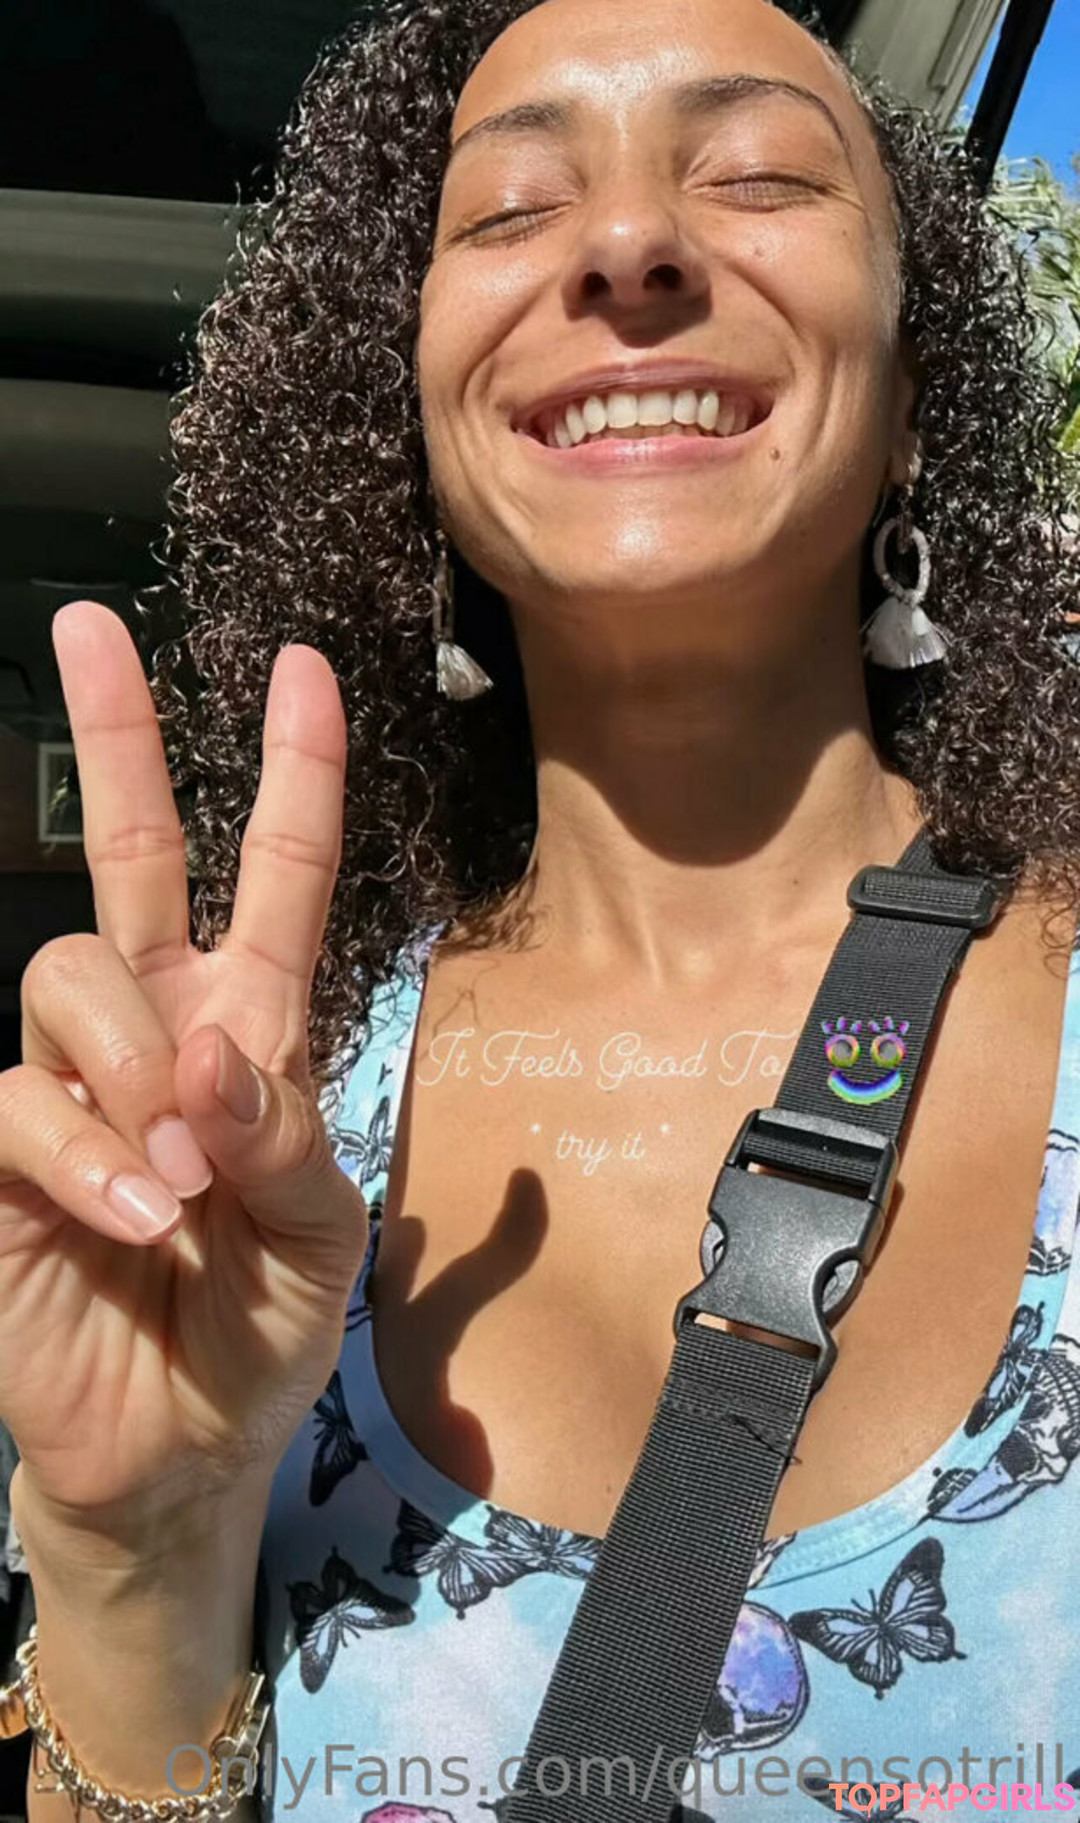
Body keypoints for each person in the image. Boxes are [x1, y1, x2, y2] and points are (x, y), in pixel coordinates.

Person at [2, 0, 1079, 1816]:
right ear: (423, 424)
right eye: (508, 209)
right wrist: (133, 1562)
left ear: (915, 400)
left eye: (757, 175)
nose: (629, 238)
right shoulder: (250, 1131)